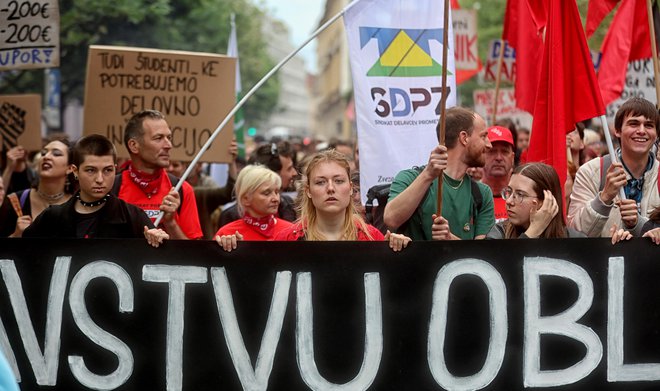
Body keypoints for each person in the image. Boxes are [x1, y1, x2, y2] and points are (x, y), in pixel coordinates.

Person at [23, 135, 169, 247]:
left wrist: (156, 239)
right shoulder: (52, 218)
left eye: (107, 170)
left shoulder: (132, 217)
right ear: (75, 171)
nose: (100, 179)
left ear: (115, 169)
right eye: (91, 170)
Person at [384, 106, 495, 240]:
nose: (489, 145)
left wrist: (450, 239)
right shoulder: (409, 178)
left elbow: (482, 257)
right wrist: (428, 175)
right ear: (464, 138)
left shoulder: (482, 194)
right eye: (483, 136)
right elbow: (391, 219)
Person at [273, 150, 412, 251]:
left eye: (339, 181)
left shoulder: (372, 238)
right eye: (320, 182)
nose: (330, 188)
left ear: (351, 188)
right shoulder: (287, 240)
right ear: (308, 191)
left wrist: (396, 249)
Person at [568, 97, 660, 237]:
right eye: (633, 124)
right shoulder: (590, 172)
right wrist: (604, 198)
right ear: (617, 130)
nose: (641, 131)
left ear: (656, 134)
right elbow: (574, 233)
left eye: (648, 125)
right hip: (600, 258)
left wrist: (638, 224)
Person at [114, 109, 203, 239]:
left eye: (169, 138)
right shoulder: (112, 188)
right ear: (133, 145)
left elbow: (194, 254)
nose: (168, 145)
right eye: (158, 138)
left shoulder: (182, 190)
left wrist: (171, 223)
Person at [0, 137, 75, 237]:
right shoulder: (15, 201)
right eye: (43, 153)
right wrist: (15, 236)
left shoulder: (78, 204)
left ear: (70, 168)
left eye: (56, 154)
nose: (46, 157)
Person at [487, 163, 586, 239]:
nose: (509, 201)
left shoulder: (574, 240)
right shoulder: (498, 234)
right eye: (509, 191)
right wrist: (533, 231)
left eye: (520, 195)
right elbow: (506, 265)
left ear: (546, 202)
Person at [218, 141, 297, 226]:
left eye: (277, 192)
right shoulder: (230, 218)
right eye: (266, 193)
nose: (294, 173)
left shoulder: (288, 204)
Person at [215, 165, 293, 251]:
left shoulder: (292, 232)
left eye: (277, 192)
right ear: (246, 199)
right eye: (266, 193)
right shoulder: (227, 235)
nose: (276, 199)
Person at [481, 125, 515, 223]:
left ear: (512, 158)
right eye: (492, 151)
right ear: (481, 155)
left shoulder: (523, 200)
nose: (499, 158)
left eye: (504, 152)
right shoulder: (470, 196)